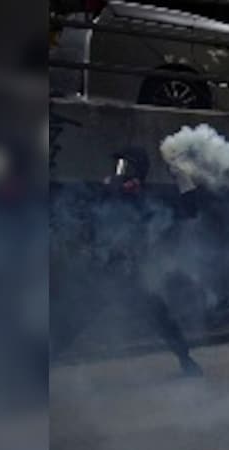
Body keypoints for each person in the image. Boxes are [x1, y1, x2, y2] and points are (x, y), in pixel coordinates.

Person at [51, 147, 203, 376]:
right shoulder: (106, 195)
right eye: (119, 167)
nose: (120, 174)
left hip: (130, 277)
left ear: (138, 175)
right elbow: (77, 212)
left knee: (161, 317)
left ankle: (186, 360)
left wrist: (182, 178)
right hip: (100, 275)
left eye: (126, 168)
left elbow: (189, 211)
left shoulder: (148, 202)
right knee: (70, 324)